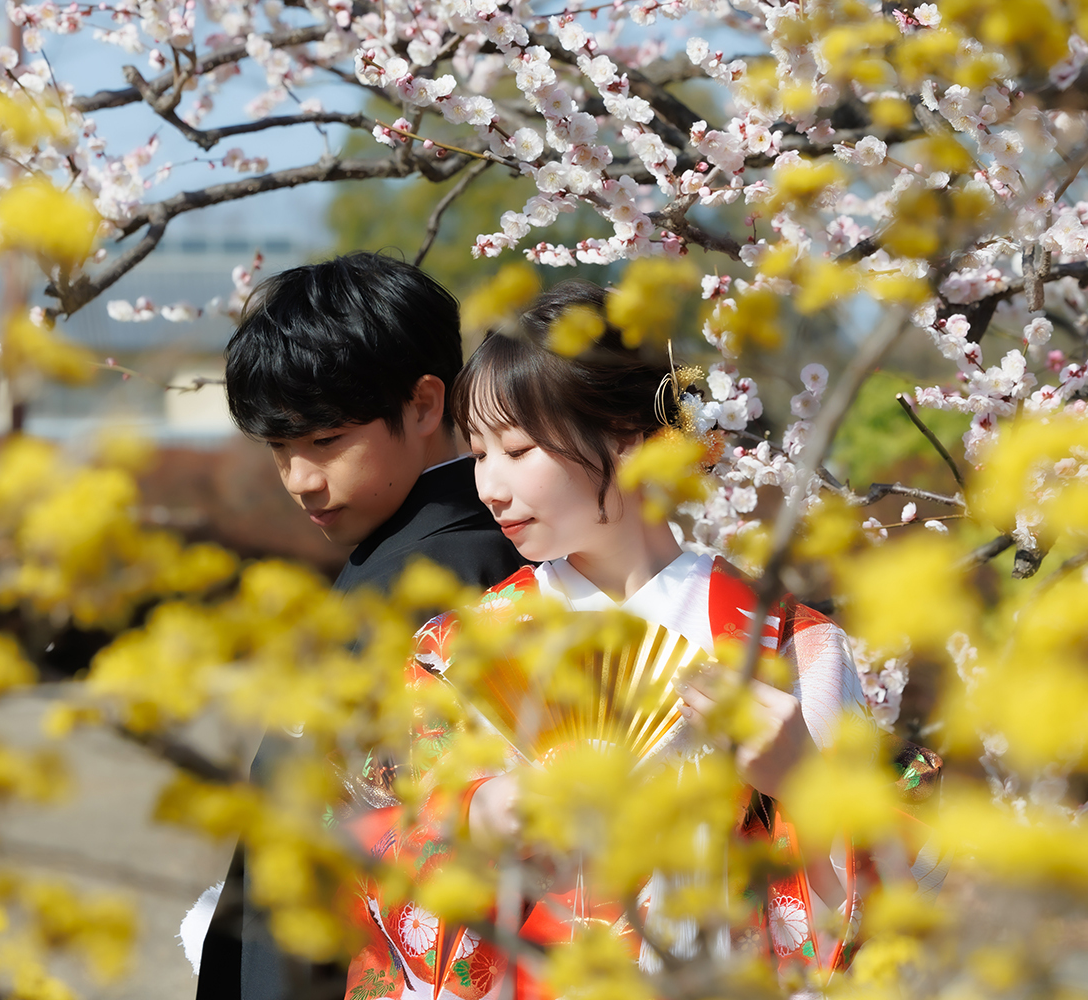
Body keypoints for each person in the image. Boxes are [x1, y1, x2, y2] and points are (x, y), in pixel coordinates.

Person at [340, 281, 923, 1000]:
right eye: (479, 454)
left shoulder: (785, 645)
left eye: (517, 449)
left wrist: (804, 780)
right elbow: (380, 846)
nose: (489, 486)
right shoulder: (456, 654)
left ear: (627, 437)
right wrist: (471, 815)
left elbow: (905, 891)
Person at [196, 253, 530, 1000]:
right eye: (279, 449)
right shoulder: (470, 550)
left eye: (323, 442)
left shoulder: (424, 582)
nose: (300, 481)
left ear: (424, 404)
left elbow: (336, 843)